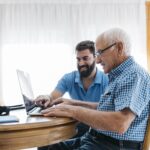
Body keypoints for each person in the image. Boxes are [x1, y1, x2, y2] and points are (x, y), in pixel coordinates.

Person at [39, 28, 150, 150]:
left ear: (119, 47)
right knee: (45, 147)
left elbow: (120, 123)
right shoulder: (119, 75)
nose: (97, 60)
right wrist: (74, 103)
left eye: (100, 52)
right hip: (94, 138)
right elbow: (109, 109)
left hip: (112, 145)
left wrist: (73, 111)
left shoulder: (134, 75)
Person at [35, 40, 108, 149]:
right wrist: (47, 97)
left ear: (95, 57)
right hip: (77, 125)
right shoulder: (69, 78)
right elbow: (53, 97)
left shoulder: (106, 79)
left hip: (96, 128)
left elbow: (107, 107)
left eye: (85, 58)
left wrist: (73, 104)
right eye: (78, 59)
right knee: (44, 145)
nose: (81, 63)